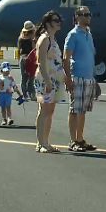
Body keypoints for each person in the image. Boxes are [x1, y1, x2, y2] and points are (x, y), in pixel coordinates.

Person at [63, 6, 98, 152]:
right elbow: (66, 57)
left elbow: (91, 56)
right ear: (76, 16)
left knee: (82, 110)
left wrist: (95, 79)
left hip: (88, 76)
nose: (88, 17)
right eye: (84, 15)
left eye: (89, 14)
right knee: (75, 109)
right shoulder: (73, 34)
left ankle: (80, 138)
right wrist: (68, 78)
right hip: (77, 75)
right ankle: (73, 140)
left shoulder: (88, 34)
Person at [33, 11, 65, 153]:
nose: (59, 22)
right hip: (45, 79)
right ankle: (40, 143)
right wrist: (47, 81)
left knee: (50, 111)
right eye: (55, 20)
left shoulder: (53, 38)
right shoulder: (44, 39)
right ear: (47, 23)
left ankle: (46, 142)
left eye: (59, 20)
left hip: (54, 79)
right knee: (44, 110)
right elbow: (41, 62)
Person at [0, 62, 23, 126]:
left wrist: (19, 94)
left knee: (8, 106)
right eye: (5, 71)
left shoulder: (10, 78)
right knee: (2, 107)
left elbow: (14, 86)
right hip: (1, 94)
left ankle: (9, 118)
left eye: (8, 71)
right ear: (1, 70)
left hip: (8, 94)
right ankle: (4, 119)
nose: (7, 72)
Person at [18, 21, 36, 100]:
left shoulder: (20, 38)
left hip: (23, 57)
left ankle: (25, 94)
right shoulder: (32, 39)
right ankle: (32, 94)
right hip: (30, 58)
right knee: (31, 77)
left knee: (24, 78)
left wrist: (19, 59)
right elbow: (34, 49)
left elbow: (19, 49)